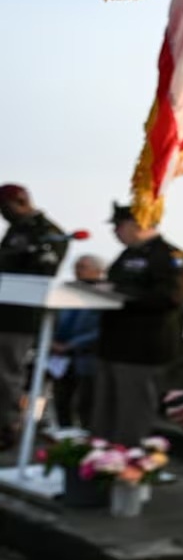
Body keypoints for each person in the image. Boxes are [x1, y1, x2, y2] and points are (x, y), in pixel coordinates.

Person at [91, 202, 183, 446]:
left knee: (132, 411)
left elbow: (171, 297)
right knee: (104, 410)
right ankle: (99, 459)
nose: (115, 231)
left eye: (119, 225)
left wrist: (119, 292)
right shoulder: (129, 254)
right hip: (113, 344)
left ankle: (127, 463)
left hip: (142, 349)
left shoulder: (170, 257)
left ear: (138, 224)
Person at [0, 183, 67, 450]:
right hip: (4, 309)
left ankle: (8, 428)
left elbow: (42, 271)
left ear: (20, 202)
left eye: (5, 208)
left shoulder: (48, 233)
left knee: (7, 374)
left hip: (20, 317)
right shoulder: (17, 231)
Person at [51, 254, 107, 429]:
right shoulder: (69, 291)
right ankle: (63, 434)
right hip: (60, 356)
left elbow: (101, 328)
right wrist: (53, 342)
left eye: (82, 267)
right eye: (76, 267)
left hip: (88, 355)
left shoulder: (105, 293)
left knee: (86, 401)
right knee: (61, 399)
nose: (77, 271)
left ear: (98, 271)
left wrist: (72, 344)